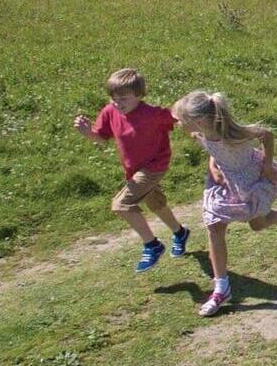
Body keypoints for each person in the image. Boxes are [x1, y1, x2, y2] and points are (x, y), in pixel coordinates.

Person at [172, 91, 277, 317]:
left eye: (181, 119)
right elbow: (213, 150)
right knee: (214, 226)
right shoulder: (200, 132)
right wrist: (213, 167)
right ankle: (222, 287)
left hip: (251, 181)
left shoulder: (233, 133)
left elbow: (267, 135)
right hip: (223, 182)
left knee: (257, 225)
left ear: (198, 120)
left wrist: (268, 166)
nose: (178, 123)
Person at [73, 68, 190, 273]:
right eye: (113, 97)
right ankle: (180, 233)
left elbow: (180, 119)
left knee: (121, 204)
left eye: (124, 98)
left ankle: (152, 245)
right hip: (134, 170)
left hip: (154, 166)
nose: (118, 102)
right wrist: (88, 133)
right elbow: (101, 137)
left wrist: (204, 128)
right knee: (156, 204)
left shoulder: (152, 114)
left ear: (139, 95)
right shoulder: (110, 111)